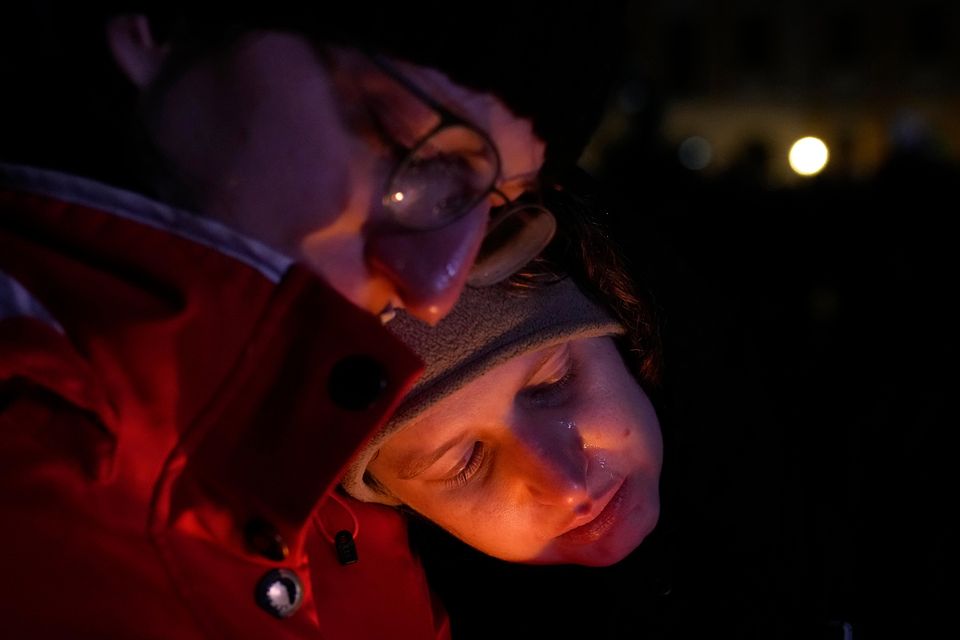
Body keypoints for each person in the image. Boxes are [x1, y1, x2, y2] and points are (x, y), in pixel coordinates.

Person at [0, 4, 628, 639]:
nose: (437, 291)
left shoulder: (324, 506)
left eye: (495, 210)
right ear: (163, 27)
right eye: (410, 147)